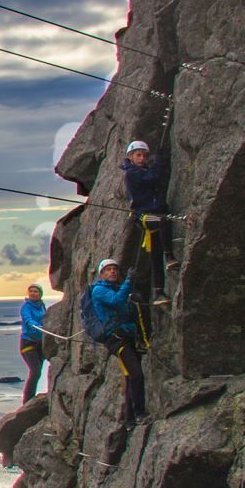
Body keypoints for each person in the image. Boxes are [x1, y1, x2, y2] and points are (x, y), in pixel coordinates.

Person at [87, 257, 148, 426]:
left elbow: (124, 308)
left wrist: (134, 301)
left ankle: (129, 420)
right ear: (101, 274)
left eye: (114, 269)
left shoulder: (116, 289)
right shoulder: (99, 290)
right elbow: (115, 301)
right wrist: (128, 281)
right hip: (116, 340)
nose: (112, 271)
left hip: (127, 336)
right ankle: (139, 413)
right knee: (136, 373)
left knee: (130, 377)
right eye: (108, 269)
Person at [119, 139, 170, 309]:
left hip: (153, 212)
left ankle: (159, 291)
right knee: (162, 222)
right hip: (143, 216)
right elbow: (152, 177)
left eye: (144, 156)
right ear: (131, 157)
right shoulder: (131, 172)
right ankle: (170, 257)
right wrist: (158, 162)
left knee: (156, 253)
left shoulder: (142, 170)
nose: (142, 158)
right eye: (138, 155)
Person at [18, 284, 47, 403]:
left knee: (38, 372)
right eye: (31, 291)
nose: (33, 293)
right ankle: (27, 401)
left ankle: (31, 398)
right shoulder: (26, 306)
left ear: (40, 294)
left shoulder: (42, 306)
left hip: (40, 342)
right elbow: (27, 318)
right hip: (28, 342)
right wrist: (34, 325)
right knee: (35, 371)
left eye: (36, 291)